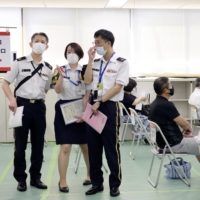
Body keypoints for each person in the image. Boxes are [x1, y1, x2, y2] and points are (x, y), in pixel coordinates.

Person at [2, 32, 52, 192]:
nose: (39, 44)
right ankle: (21, 179)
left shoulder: (48, 68)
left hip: (39, 107)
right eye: (36, 41)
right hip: (21, 106)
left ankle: (35, 177)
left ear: (47, 46)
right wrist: (12, 99)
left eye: (42, 42)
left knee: (38, 145)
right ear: (30, 44)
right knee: (20, 145)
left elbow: (46, 89)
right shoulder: (19, 62)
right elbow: (5, 83)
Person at [84, 29, 129, 197]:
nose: (95, 46)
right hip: (92, 108)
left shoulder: (121, 62)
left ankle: (114, 184)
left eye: (98, 43)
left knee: (111, 148)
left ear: (108, 43)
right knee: (93, 148)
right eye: (94, 42)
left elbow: (118, 86)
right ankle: (97, 183)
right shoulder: (95, 64)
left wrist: (100, 102)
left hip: (109, 107)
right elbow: (88, 81)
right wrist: (89, 60)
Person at [50, 43, 92, 193]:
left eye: (74, 52)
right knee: (65, 146)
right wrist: (61, 76)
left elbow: (88, 91)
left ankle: (89, 174)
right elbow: (57, 90)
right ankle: (62, 181)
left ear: (80, 55)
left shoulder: (86, 70)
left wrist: (85, 113)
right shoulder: (58, 70)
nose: (71, 54)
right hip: (64, 109)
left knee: (85, 146)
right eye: (68, 51)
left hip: (81, 108)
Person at [149, 77, 200, 162]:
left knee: (196, 140)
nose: (172, 87)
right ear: (166, 90)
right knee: (198, 143)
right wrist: (188, 128)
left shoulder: (154, 104)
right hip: (174, 144)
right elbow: (184, 124)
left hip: (163, 143)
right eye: (171, 85)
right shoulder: (166, 105)